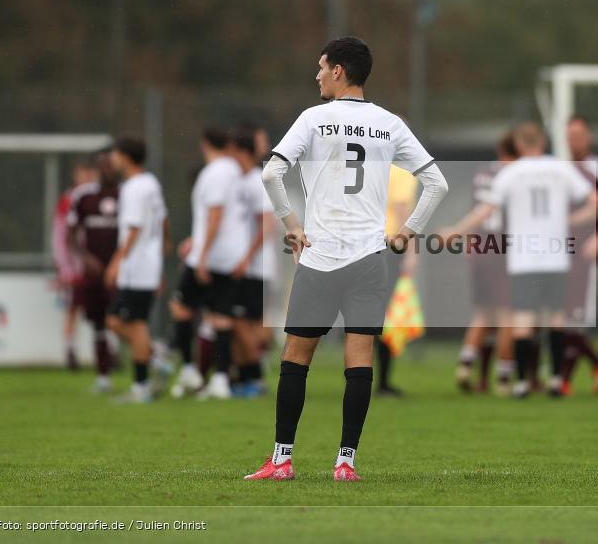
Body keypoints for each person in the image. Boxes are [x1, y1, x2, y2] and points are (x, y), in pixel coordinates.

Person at [248, 36, 448, 482]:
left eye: (321, 67)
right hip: (368, 258)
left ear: (339, 70)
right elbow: (437, 184)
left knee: (296, 358)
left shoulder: (314, 119)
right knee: (359, 361)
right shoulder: (389, 123)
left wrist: (290, 224)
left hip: (320, 257)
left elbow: (271, 172)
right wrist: (408, 232)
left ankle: (281, 460)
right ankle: (345, 463)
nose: (317, 74)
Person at [447, 122, 598, 399]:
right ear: (543, 142)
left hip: (523, 258)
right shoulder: (561, 169)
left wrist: (456, 231)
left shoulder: (511, 173)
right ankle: (557, 381)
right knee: (556, 318)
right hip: (556, 256)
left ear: (520, 145)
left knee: (522, 320)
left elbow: (486, 210)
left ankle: (521, 383)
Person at [170, 127, 247, 400]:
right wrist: (196, 238)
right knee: (221, 318)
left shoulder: (214, 173)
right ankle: (221, 379)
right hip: (230, 255)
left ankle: (190, 370)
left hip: (212, 256)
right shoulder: (236, 172)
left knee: (180, 307)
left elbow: (216, 214)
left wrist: (201, 254)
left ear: (205, 144)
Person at [104, 137, 169, 403]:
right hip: (147, 264)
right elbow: (163, 220)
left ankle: (142, 385)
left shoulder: (133, 188)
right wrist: (160, 258)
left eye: (115, 154)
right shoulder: (151, 182)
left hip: (136, 265)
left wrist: (116, 261)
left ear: (126, 157)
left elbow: (134, 228)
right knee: (118, 321)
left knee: (132, 323)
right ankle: (155, 359)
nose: (112, 159)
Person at [453, 131, 517, 395]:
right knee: (506, 316)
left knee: (483, 312)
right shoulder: (515, 176)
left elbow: (475, 208)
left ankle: (465, 365)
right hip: (503, 251)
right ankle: (503, 380)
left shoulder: (482, 173)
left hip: (479, 249)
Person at [560, 116, 598, 396]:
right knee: (562, 315)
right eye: (570, 135)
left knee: (575, 316)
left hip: (585, 249)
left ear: (589, 137)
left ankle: (564, 380)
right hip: (561, 251)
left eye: (579, 135)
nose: (574, 141)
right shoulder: (560, 168)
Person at [67, 148, 120, 393]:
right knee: (98, 323)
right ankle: (103, 378)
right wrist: (86, 259)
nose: (108, 170)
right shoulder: (83, 197)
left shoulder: (129, 193)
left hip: (123, 272)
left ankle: (149, 363)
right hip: (94, 272)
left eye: (111, 164)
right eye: (103, 166)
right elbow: (70, 235)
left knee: (124, 321)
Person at [228, 127, 274, 397]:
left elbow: (268, 225)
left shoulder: (257, 181)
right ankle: (245, 377)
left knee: (244, 323)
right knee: (241, 323)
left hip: (256, 268)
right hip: (244, 265)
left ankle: (254, 377)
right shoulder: (240, 182)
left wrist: (246, 258)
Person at [375, 163, 419, 396]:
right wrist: (411, 252)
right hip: (390, 245)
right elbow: (402, 210)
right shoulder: (401, 172)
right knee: (384, 315)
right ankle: (382, 382)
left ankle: (359, 377)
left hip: (361, 242)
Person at [52, 160, 96, 370]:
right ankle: (70, 349)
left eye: (90, 173)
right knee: (73, 307)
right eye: (83, 173)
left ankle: (108, 352)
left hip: (98, 265)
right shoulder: (68, 200)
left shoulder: (100, 197)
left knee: (103, 308)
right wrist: (65, 267)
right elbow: (60, 237)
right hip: (76, 265)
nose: (87, 177)